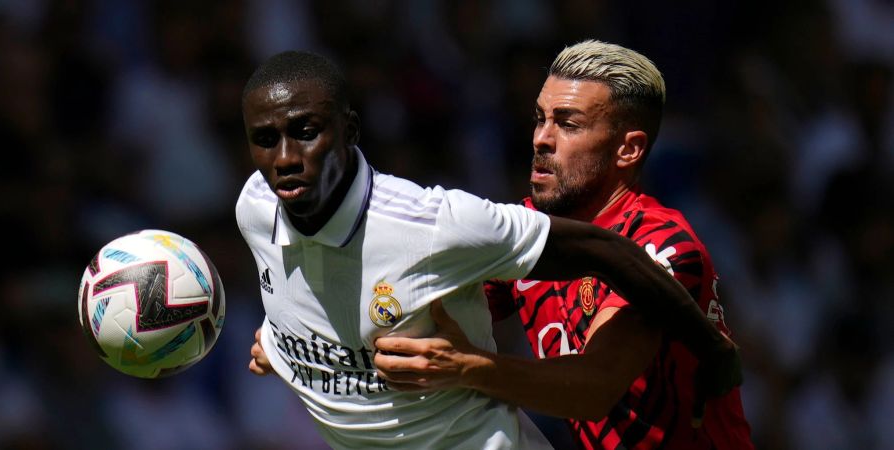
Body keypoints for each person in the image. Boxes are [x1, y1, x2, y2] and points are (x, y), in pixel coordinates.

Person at [239, 50, 740, 449]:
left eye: (568, 124)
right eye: (539, 118)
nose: (542, 139)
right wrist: (297, 333)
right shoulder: (524, 233)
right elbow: (417, 311)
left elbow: (594, 389)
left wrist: (467, 367)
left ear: (627, 149)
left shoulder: (660, 242)